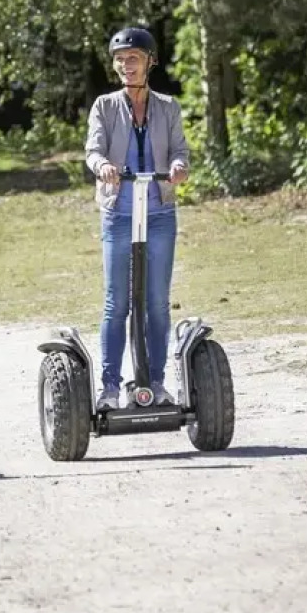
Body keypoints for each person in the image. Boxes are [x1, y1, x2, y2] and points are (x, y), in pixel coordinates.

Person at [84, 26, 190, 411]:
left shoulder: (168, 107)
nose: (126, 65)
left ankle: (156, 383)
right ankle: (110, 387)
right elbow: (93, 151)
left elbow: (180, 150)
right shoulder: (105, 106)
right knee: (117, 303)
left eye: (133, 58)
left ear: (150, 62)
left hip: (160, 212)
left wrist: (178, 167)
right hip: (120, 212)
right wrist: (104, 167)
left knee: (157, 303)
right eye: (120, 59)